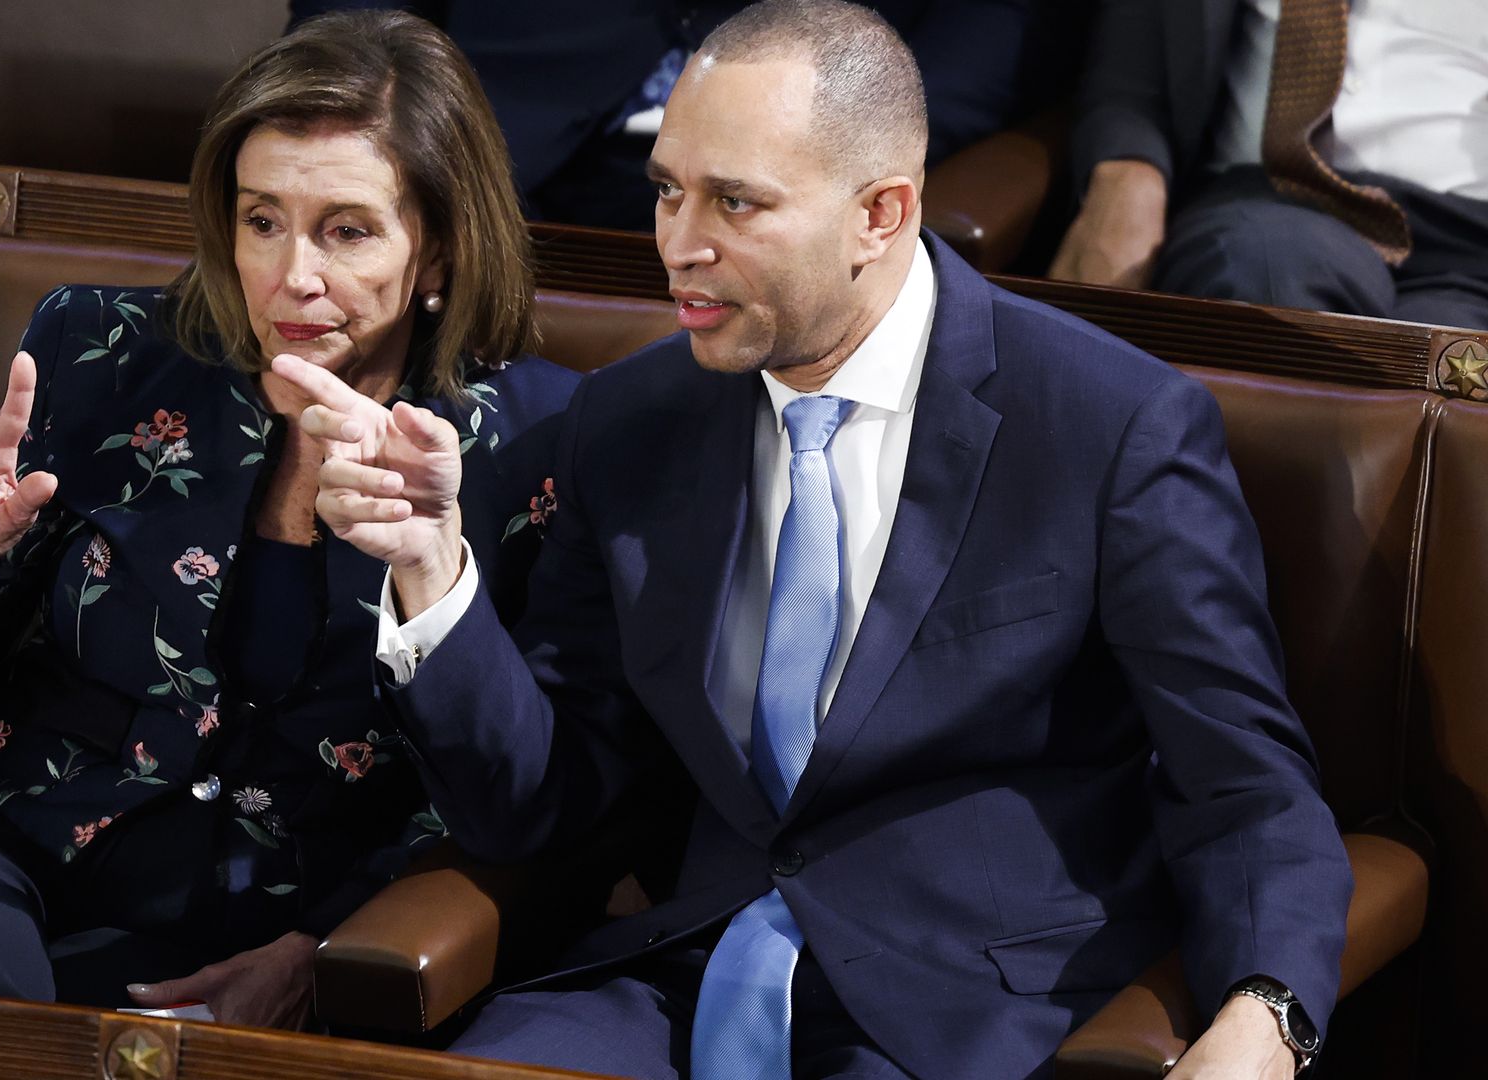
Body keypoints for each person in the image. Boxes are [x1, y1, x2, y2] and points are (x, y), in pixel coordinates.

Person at [281, 1, 1352, 1075]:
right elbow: (544, 805)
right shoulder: (629, 424)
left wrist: (1263, 1021)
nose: (678, 244)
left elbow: (1242, 784)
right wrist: (430, 565)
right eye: (666, 191)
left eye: (735, 203)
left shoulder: (1110, 425)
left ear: (880, 213)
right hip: (680, 974)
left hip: (967, 1012)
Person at [0, 9, 579, 1023]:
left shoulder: (538, 447)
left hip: (292, 917)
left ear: (438, 254)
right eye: (262, 219)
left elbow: (517, 808)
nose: (291, 275)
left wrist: (324, 950)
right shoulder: (101, 349)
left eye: (346, 230)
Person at [292, 0, 1088, 232]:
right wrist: (402, 130)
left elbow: (998, 28)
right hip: (477, 132)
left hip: (785, 160)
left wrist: (846, 143)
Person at [1051, 0, 1488, 330]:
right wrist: (1127, 178)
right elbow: (1130, 78)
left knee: (1452, 384)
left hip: (1466, 239)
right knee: (1269, 281)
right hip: (1276, 201)